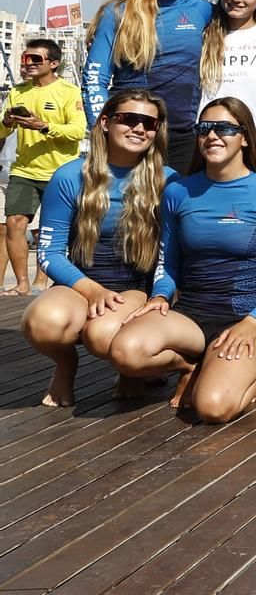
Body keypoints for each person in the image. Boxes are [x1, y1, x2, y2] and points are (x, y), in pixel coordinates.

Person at [108, 99, 256, 421]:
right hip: (190, 316)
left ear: (246, 137)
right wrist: (159, 296)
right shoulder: (178, 191)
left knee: (212, 407)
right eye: (205, 129)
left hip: (245, 318)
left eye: (224, 128)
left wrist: (252, 323)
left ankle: (248, 369)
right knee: (125, 352)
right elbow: (168, 263)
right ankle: (190, 363)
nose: (213, 136)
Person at [19, 90, 173, 406]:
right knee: (41, 323)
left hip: (134, 285)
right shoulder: (68, 176)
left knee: (102, 337)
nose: (139, 128)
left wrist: (161, 295)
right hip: (80, 281)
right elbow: (48, 253)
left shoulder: (168, 182)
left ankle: (150, 368)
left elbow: (171, 256)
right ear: (105, 122)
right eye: (129, 119)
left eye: (149, 123)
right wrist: (92, 291)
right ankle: (65, 365)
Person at [85, 0, 215, 170]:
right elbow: (94, 79)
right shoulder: (117, 12)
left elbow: (247, 15)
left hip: (181, 140)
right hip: (130, 135)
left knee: (173, 209)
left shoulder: (203, 10)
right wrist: (101, 131)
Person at [1, 38, 84, 295]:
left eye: (35, 59)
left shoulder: (69, 92)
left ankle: (42, 282)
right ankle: (22, 283)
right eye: (26, 58)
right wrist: (6, 121)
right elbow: (2, 130)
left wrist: (43, 126)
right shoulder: (18, 91)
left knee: (50, 228)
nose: (28, 63)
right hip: (24, 169)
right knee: (14, 223)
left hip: (61, 171)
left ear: (54, 63)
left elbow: (78, 131)